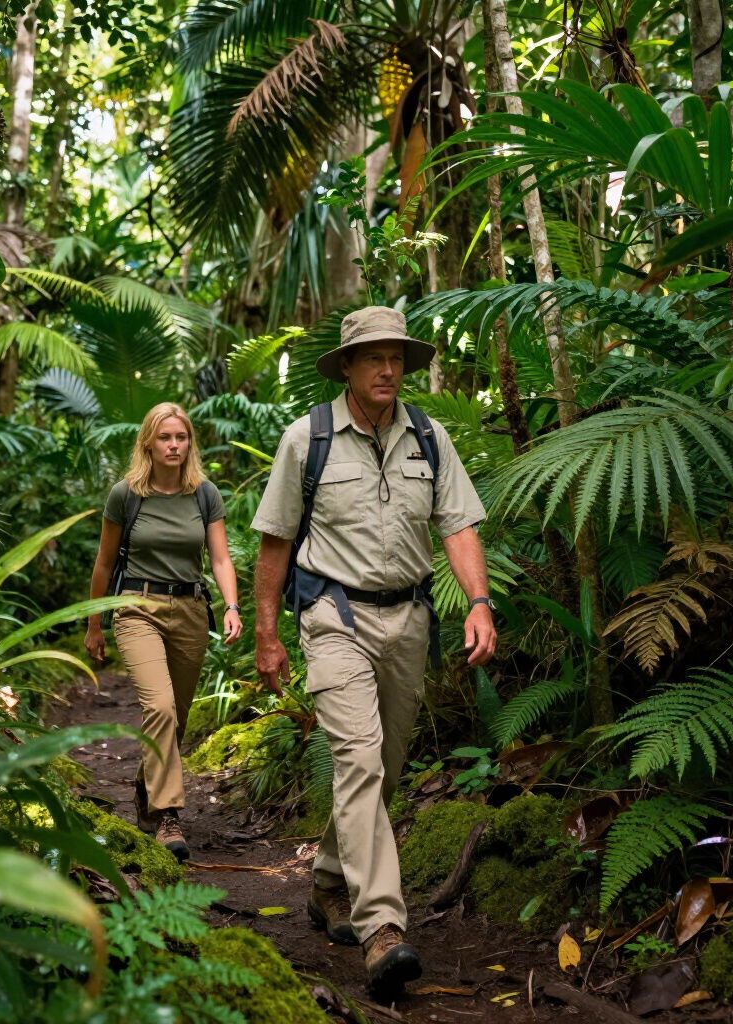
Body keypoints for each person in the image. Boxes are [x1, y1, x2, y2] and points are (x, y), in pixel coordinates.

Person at [251, 306, 497, 996]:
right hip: (334, 615)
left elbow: (459, 527)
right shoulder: (308, 440)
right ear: (349, 368)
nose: (389, 369)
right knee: (357, 757)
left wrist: (479, 601)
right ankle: (382, 927)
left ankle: (330, 881)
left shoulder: (428, 437)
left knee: (382, 770)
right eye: (374, 358)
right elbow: (274, 542)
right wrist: (268, 635)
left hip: (410, 618)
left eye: (397, 358)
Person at [86, 402, 242, 862]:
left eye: (181, 437)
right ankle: (169, 814)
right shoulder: (126, 495)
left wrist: (231, 606)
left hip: (191, 609)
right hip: (137, 607)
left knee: (178, 716)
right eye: (165, 438)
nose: (174, 445)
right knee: (160, 705)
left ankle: (147, 783)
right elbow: (104, 561)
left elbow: (220, 559)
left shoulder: (204, 494)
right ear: (148, 444)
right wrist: (94, 623)